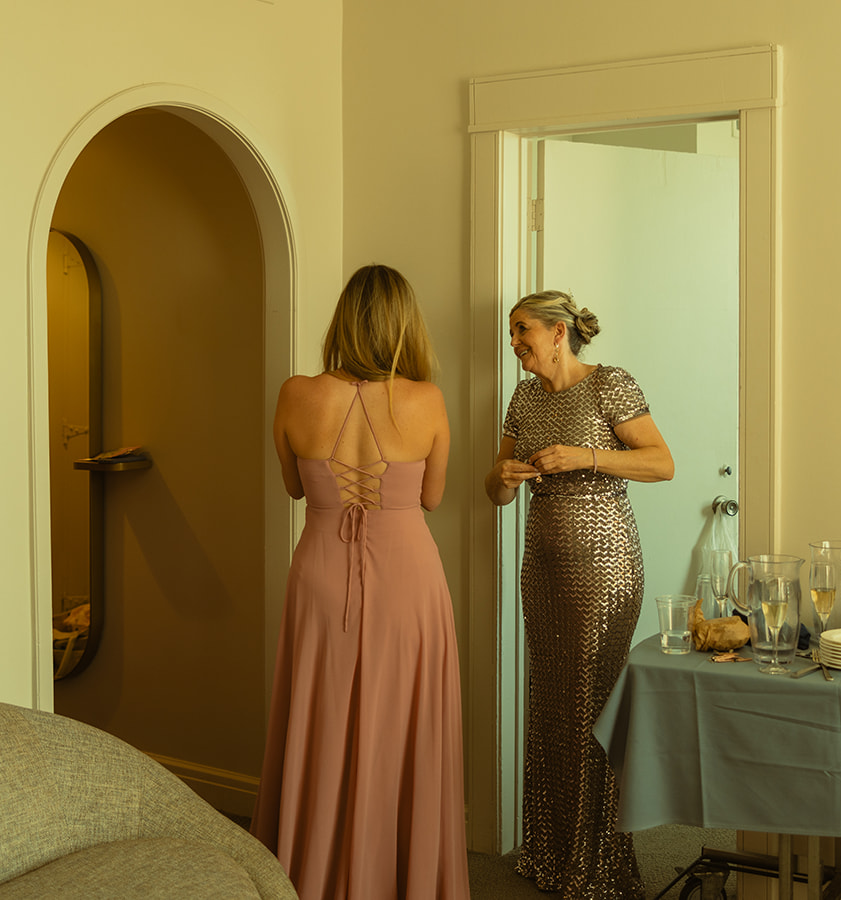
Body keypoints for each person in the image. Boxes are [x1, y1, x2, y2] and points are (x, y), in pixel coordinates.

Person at [253, 265, 469, 900]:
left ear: (343, 318)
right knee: (405, 724)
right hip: (408, 579)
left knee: (318, 715)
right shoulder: (426, 399)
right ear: (405, 323)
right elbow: (431, 498)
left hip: (320, 573)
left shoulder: (295, 394)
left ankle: (311, 873)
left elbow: (294, 487)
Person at [484, 289, 674, 899]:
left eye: (522, 332)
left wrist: (587, 456)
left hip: (604, 563)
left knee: (591, 703)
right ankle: (552, 850)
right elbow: (496, 489)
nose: (515, 344)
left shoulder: (609, 384)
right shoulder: (523, 398)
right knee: (548, 699)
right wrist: (504, 477)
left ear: (558, 333)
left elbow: (662, 463)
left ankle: (597, 862)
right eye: (512, 334)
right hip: (541, 562)